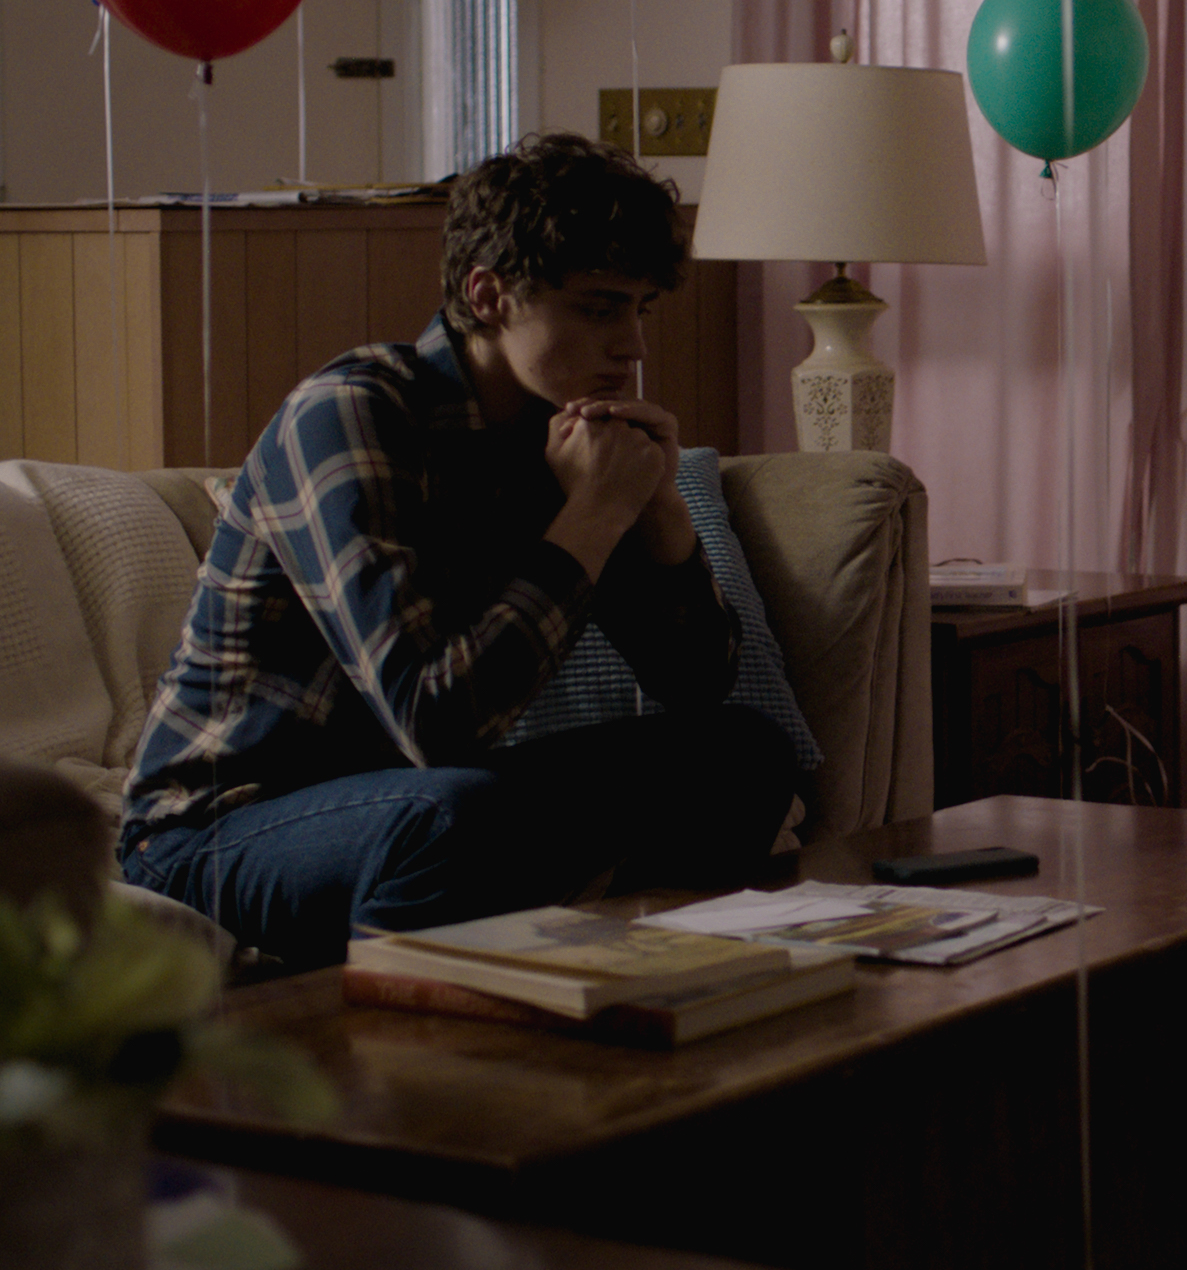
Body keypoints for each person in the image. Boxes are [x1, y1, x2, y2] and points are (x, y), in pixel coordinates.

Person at [120, 134, 796, 968]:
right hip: (216, 831)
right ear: (488, 295)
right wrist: (590, 516)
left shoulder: (563, 438)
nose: (633, 347)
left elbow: (694, 685)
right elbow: (435, 723)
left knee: (741, 753)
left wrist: (659, 515)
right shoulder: (352, 414)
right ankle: (413, 1035)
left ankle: (640, 985)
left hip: (410, 801)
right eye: (598, 308)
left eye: (640, 309)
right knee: (454, 816)